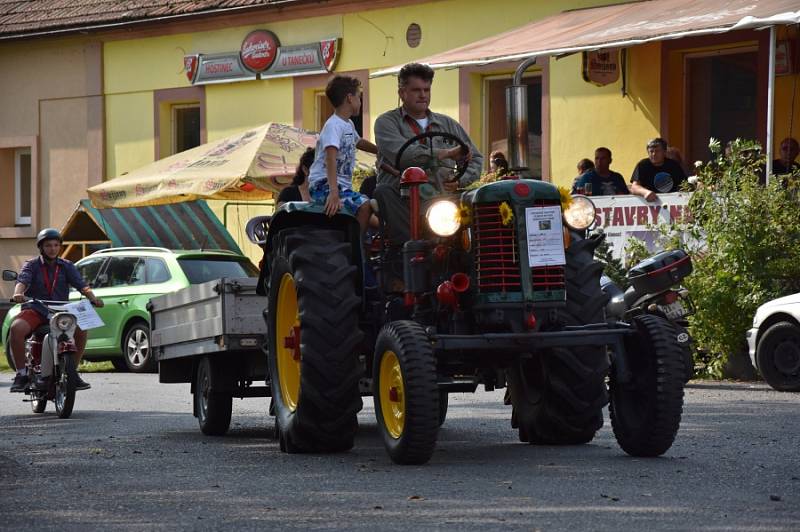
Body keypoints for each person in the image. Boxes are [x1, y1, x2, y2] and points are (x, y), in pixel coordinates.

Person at [374, 62, 483, 242]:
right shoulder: (386, 123)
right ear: (402, 93)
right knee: (383, 191)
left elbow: (476, 158)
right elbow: (405, 156)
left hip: (444, 198)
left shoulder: (447, 124)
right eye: (416, 90)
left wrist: (459, 181)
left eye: (427, 89)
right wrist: (446, 154)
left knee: (483, 200)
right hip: (405, 198)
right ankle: (410, 249)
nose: (423, 95)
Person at [9, 228, 103, 393]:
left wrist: (92, 297)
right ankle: (21, 374)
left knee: (82, 328)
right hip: (36, 309)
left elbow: (82, 285)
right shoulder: (31, 265)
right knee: (16, 328)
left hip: (60, 310)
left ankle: (72, 371)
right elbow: (22, 280)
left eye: (55, 245)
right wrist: (18, 293)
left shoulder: (67, 265)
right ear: (41, 248)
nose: (52, 249)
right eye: (48, 245)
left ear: (59, 247)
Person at [307, 75, 378, 233]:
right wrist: (333, 193)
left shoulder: (348, 124)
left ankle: (362, 245)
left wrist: (381, 151)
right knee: (365, 205)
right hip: (324, 186)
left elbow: (358, 142)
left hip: (339, 187)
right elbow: (330, 157)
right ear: (350, 98)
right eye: (359, 97)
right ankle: (355, 252)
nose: (360, 102)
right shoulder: (333, 125)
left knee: (372, 209)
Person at [629, 137, 686, 202]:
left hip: (672, 202)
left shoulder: (673, 165)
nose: (654, 154)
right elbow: (634, 187)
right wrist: (645, 192)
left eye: (657, 151)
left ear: (664, 152)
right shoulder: (642, 165)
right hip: (649, 205)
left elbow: (684, 186)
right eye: (651, 151)